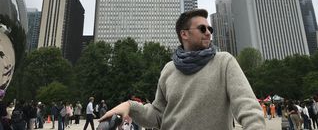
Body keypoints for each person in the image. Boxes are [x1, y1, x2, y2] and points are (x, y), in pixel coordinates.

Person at [99, 9, 265, 129]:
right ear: (184, 34)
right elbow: (156, 115)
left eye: (210, 29)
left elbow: (248, 108)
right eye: (202, 28)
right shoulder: (168, 69)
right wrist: (129, 106)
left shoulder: (224, 61)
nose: (208, 32)